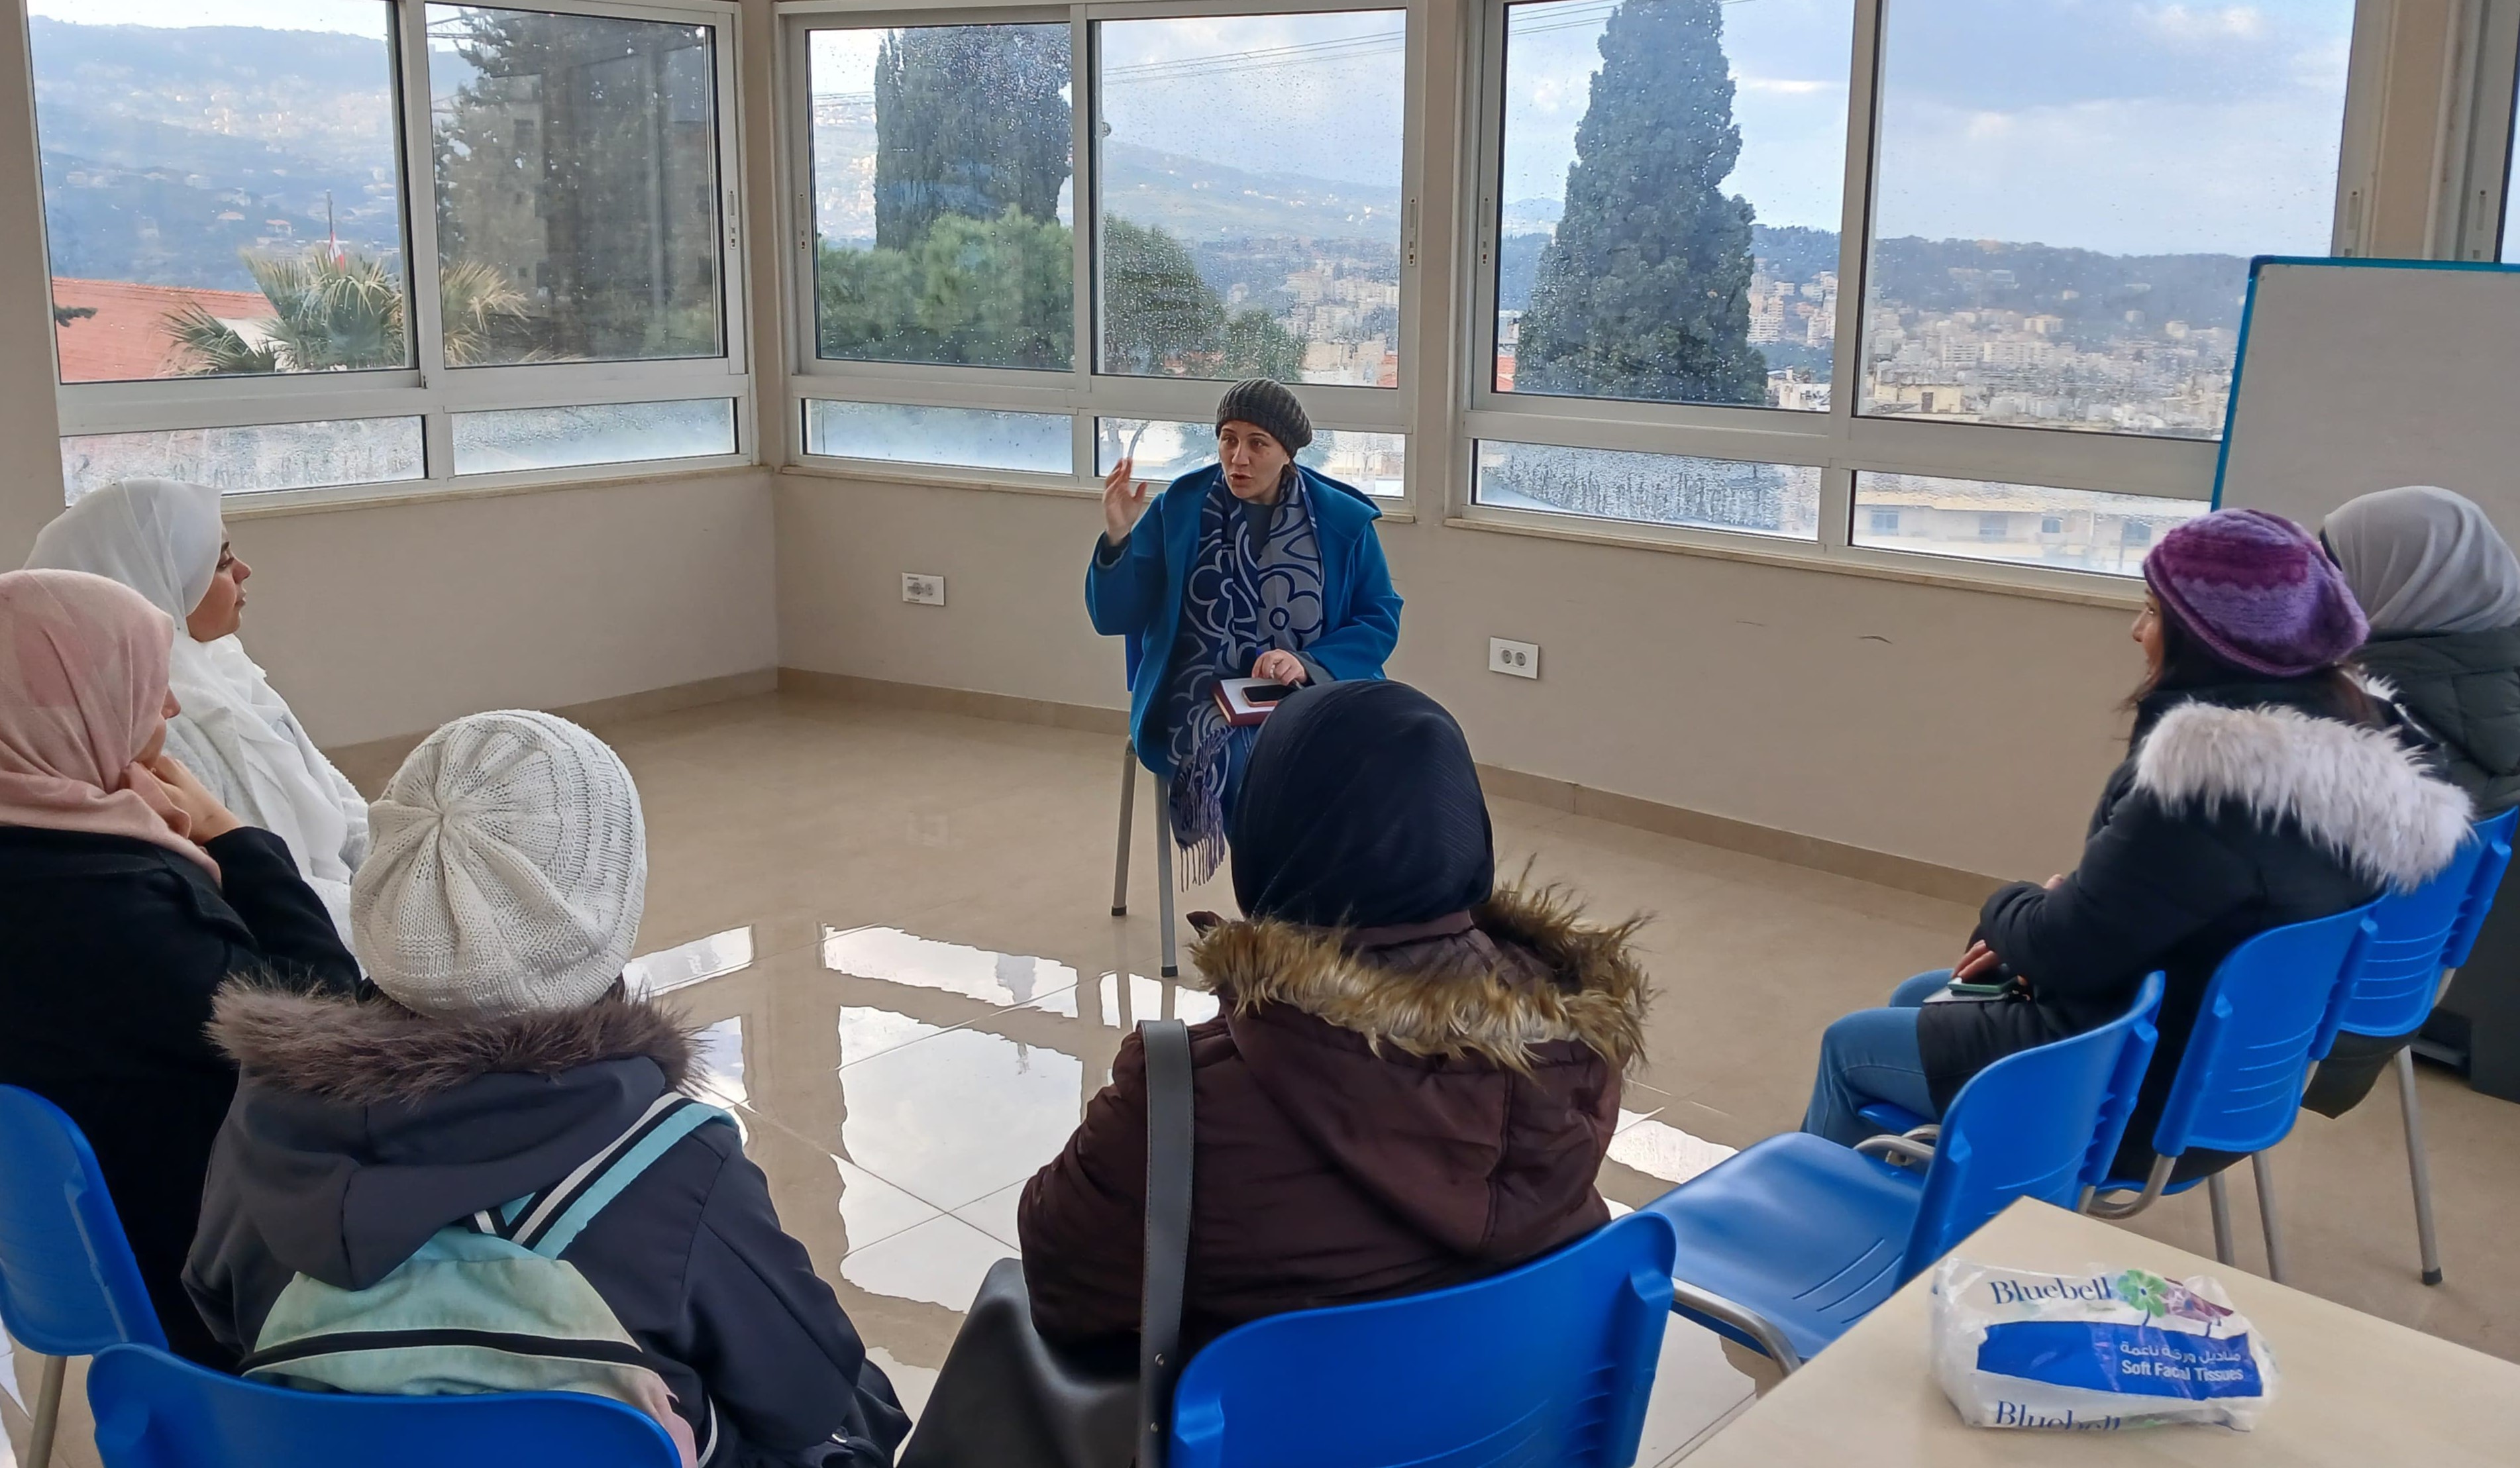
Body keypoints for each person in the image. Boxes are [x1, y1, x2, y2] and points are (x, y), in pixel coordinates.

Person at [185, 711, 908, 1468]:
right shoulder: (677, 1163)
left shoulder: (263, 1119)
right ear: (606, 907)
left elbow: (219, 1309)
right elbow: (805, 1392)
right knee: (859, 1404)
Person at [1800, 508, 2472, 1184]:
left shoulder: (2205, 792)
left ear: (2207, 642)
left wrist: (2015, 907)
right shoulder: (2358, 756)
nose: (2136, 630)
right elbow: (2147, 919)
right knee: (1924, 994)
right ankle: (1941, 1201)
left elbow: (2066, 950)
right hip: (2221, 1075)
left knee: (1851, 1046)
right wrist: (2056, 921)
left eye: (2151, 612)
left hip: (2123, 1087)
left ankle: (1837, 1220)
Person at [1018, 680, 1646, 1350]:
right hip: (1521, 1412)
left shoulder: (1179, 1099)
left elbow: (1063, 1288)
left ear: (1268, 830)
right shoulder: (1573, 1046)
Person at [0, 568, 360, 1367]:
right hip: (219, 1278)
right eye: (139, 682)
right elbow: (332, 1022)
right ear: (65, 705)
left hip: (68, 1247)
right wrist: (233, 833)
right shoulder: (105, 903)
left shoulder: (44, 846)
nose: (167, 706)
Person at [1086, 380, 1402, 882]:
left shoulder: (1342, 520)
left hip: (1317, 689)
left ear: (1287, 452)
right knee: (1247, 763)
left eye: (1258, 443)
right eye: (1228, 439)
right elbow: (1114, 616)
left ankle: (1348, 899)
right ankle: (1278, 902)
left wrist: (1307, 662)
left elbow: (1378, 616)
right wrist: (1118, 536)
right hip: (1201, 694)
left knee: (1378, 757)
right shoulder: (1180, 508)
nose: (1238, 458)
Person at [26, 478, 370, 939]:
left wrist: (396, 866)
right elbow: (238, 881)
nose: (244, 570)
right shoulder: (151, 724)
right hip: (297, 936)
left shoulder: (225, 664)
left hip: (346, 908)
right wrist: (383, 914)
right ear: (155, 581)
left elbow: (337, 798)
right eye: (221, 562)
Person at [2309, 484, 2520, 1111]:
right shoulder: (2494, 699)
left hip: (2286, 1036)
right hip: (2396, 1003)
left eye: (2333, 574)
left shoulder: (2372, 730)